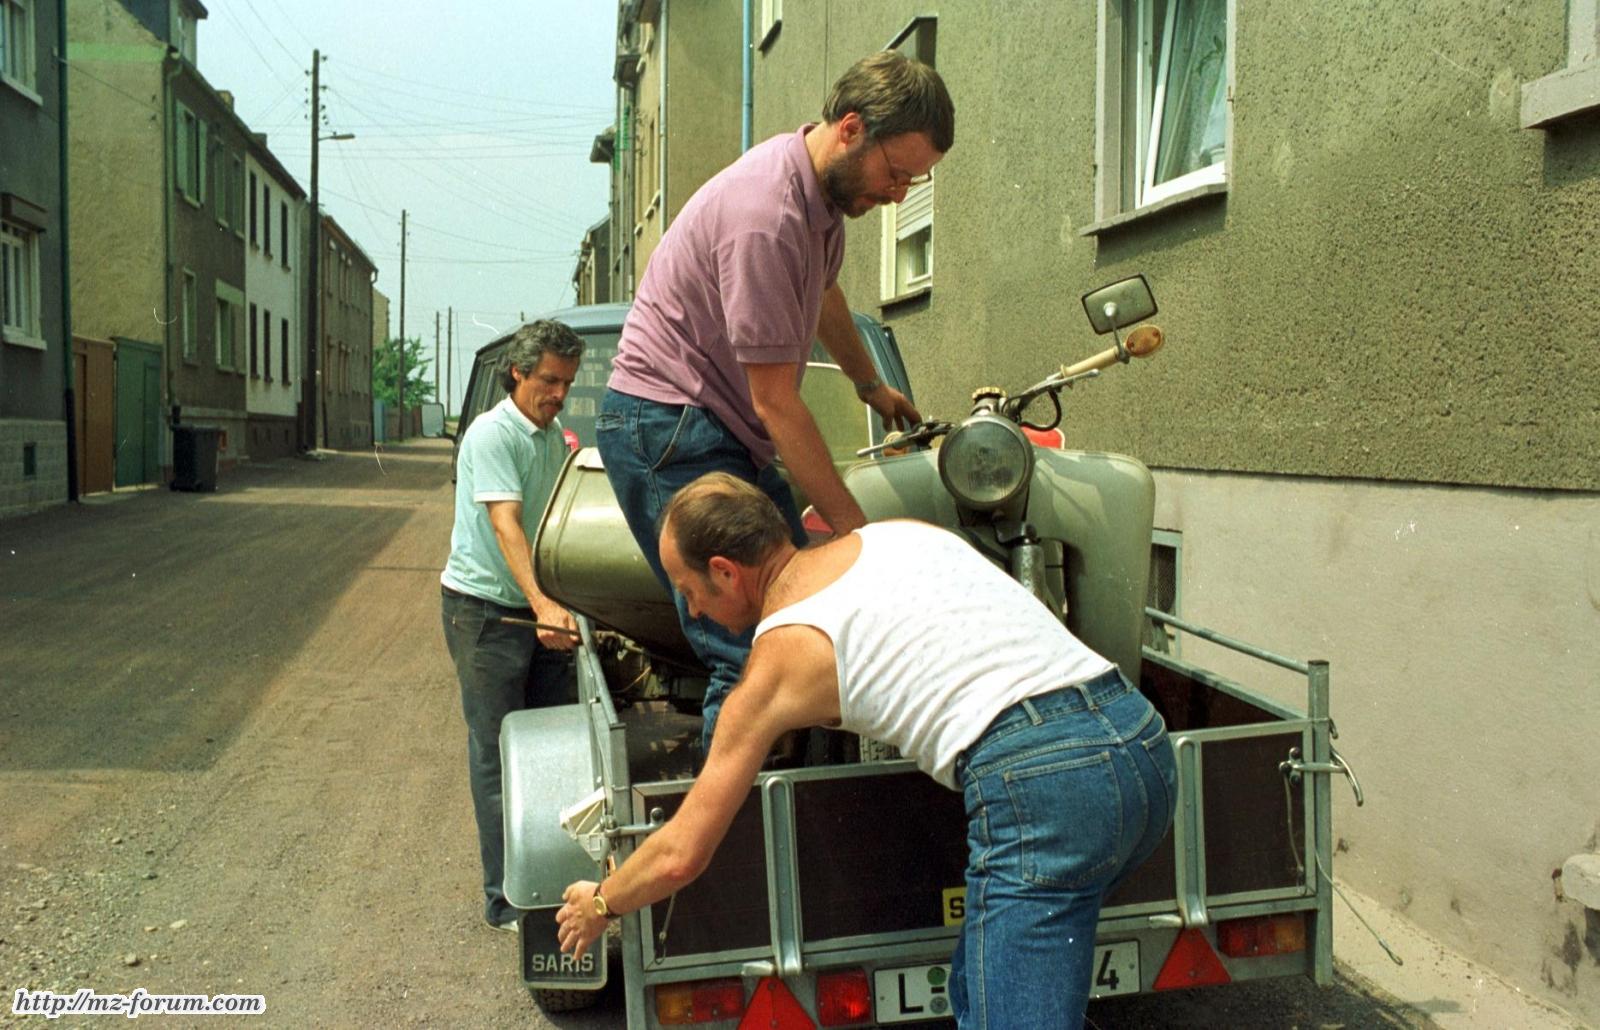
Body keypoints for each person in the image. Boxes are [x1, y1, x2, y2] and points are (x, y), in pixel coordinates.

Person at [555, 473, 1179, 1029]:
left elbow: (680, 853)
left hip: (1044, 784)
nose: (691, 608)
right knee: (980, 987)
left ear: (725, 571)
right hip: (1139, 740)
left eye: (688, 589)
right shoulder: (896, 535)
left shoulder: (778, 660)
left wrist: (602, 902)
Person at [596, 50, 955, 749]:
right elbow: (777, 405)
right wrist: (862, 540)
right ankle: (732, 819)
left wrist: (869, 383)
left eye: (913, 180)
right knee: (753, 646)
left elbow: (826, 294)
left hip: (711, 423)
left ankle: (803, 796)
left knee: (804, 615)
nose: (900, 195)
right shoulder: (767, 215)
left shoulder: (822, 205)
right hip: (667, 426)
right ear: (851, 129)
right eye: (896, 173)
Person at [440, 320, 584, 932]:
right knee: (499, 756)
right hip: (485, 613)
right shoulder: (492, 434)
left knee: (551, 751)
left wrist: (564, 602)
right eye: (549, 380)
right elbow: (507, 525)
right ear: (518, 373)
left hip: (535, 607)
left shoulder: (553, 440)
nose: (559, 394)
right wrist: (544, 605)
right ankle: (507, 902)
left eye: (567, 383)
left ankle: (553, 886)